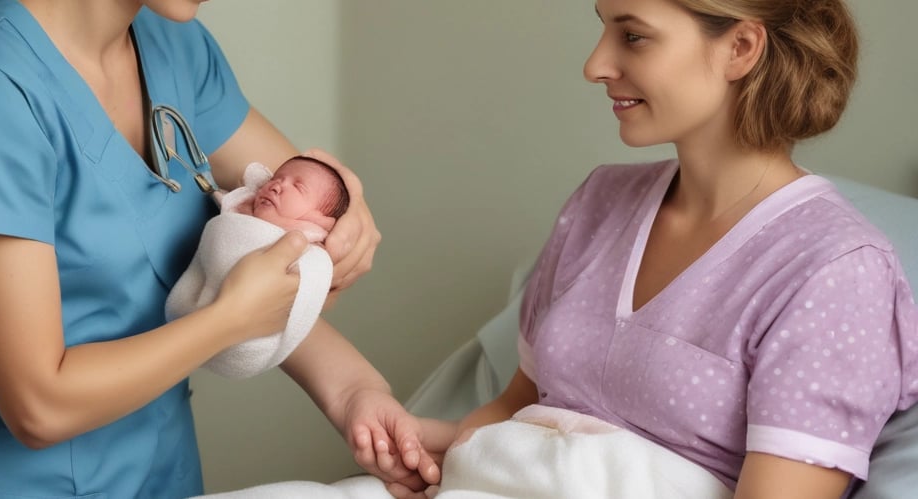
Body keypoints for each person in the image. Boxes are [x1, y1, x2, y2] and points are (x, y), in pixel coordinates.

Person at [0, 0, 436, 497]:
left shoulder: (174, 44)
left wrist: (357, 393)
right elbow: (38, 405)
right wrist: (230, 320)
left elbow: (281, 253)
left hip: (163, 472)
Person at [385, 0, 918, 498]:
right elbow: (516, 408)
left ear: (741, 49)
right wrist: (426, 448)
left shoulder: (835, 271)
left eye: (634, 36)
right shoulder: (600, 202)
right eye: (604, 26)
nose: (595, 65)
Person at [164, 155, 351, 379]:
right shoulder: (241, 208)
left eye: (298, 187)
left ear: (320, 221)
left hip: (245, 331)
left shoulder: (310, 245)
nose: (277, 185)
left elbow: (302, 291)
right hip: (193, 315)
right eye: (277, 178)